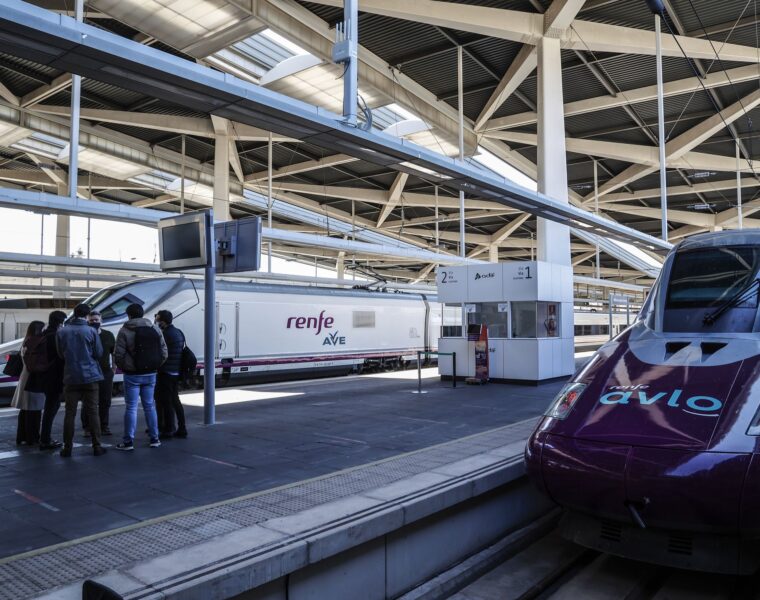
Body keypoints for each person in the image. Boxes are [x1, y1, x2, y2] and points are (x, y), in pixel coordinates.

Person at [114, 303, 167, 451]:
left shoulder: (124, 330)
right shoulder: (154, 328)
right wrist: (154, 365)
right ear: (142, 314)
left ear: (128, 315)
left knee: (131, 408)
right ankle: (155, 438)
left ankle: (128, 442)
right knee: (150, 406)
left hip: (132, 375)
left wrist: (127, 367)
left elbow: (118, 355)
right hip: (151, 373)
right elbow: (164, 352)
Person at [56, 303, 106, 457]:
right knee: (93, 412)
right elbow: (99, 353)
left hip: (71, 376)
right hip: (90, 376)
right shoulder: (91, 331)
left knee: (69, 413)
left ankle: (67, 448)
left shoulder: (62, 332)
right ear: (87, 315)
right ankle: (97, 446)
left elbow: (60, 354)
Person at [154, 310, 187, 439]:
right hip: (176, 371)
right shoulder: (179, 332)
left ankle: (168, 429)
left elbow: (160, 353)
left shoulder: (165, 334)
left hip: (165, 372)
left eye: (157, 320)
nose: (156, 322)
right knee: (175, 400)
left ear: (162, 321)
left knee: (166, 402)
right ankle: (182, 428)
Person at [81, 310, 115, 436]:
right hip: (89, 372)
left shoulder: (108, 335)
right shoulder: (84, 335)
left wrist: (114, 368)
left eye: (96, 320)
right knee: (88, 401)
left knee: (105, 400)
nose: (94, 322)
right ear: (87, 321)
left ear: (101, 321)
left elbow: (113, 352)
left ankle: (104, 426)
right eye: (91, 320)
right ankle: (88, 428)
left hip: (105, 372)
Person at [12, 321, 46, 446]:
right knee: (34, 410)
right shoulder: (35, 344)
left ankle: (21, 437)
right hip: (33, 378)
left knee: (25, 410)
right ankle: (32, 438)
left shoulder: (26, 341)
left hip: (25, 376)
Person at [39, 310, 67, 450]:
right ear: (60, 322)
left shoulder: (44, 334)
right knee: (51, 407)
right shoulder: (56, 336)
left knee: (50, 406)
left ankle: (45, 437)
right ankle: (45, 439)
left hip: (43, 375)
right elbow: (61, 356)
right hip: (54, 376)